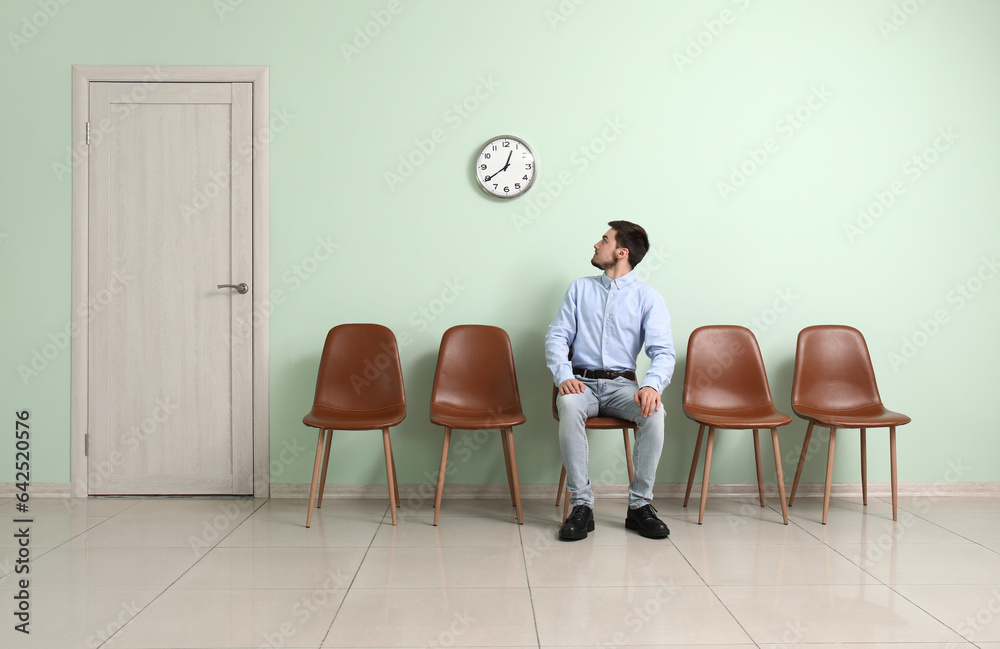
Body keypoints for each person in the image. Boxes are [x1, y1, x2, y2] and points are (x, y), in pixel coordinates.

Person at [544, 221, 675, 541]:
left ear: (621, 252)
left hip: (623, 387)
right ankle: (581, 506)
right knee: (570, 405)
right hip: (581, 383)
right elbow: (556, 337)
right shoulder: (579, 289)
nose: (595, 245)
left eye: (603, 240)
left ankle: (640, 506)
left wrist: (651, 386)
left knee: (655, 413)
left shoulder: (648, 297)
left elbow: (663, 352)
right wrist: (564, 376)